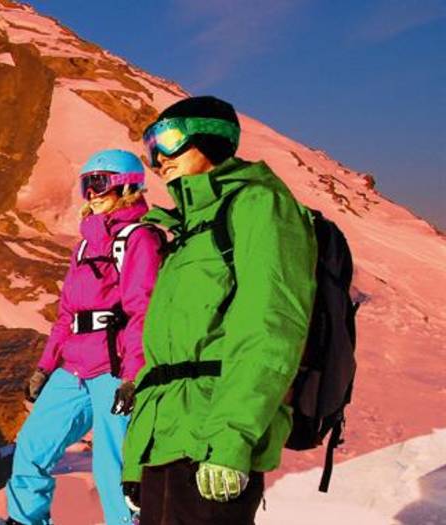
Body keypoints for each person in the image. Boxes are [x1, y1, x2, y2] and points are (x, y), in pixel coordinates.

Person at [121, 96, 317, 524]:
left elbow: (270, 326)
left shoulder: (257, 205)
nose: (158, 159)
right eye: (150, 147)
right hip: (167, 445)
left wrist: (231, 441)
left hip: (213, 437)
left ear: (209, 136)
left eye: (167, 140)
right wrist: (138, 461)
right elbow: (167, 361)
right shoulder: (189, 229)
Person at [4, 149, 163, 525]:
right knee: (31, 448)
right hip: (73, 367)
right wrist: (45, 367)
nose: (92, 191)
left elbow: (144, 309)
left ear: (127, 185)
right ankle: (25, 521)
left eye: (100, 182)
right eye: (86, 183)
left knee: (114, 465)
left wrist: (133, 376)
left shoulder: (138, 238)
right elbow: (66, 316)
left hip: (114, 366)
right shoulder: (85, 244)